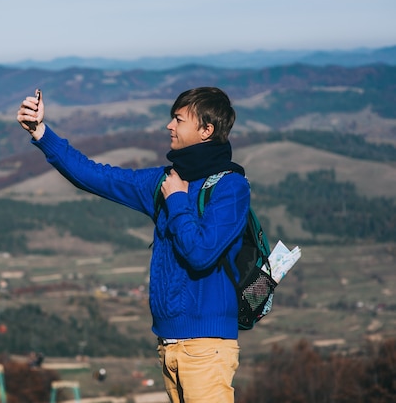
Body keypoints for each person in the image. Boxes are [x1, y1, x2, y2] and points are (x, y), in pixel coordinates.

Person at [17, 86, 250, 403]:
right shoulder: (165, 181)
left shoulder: (230, 187)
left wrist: (178, 200)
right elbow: (95, 176)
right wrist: (42, 132)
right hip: (168, 342)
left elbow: (201, 253)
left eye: (179, 120)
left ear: (206, 130)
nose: (169, 126)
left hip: (206, 346)